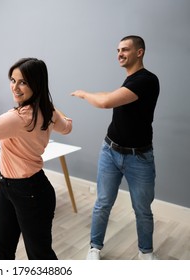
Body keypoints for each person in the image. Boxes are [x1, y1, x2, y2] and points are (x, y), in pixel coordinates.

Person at [0, 58, 72, 260]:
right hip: (11, 187)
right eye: (13, 80)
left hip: (29, 191)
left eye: (23, 82)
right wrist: (49, 106)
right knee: (2, 251)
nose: (15, 88)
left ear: (36, 85)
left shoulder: (18, 118)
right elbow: (67, 127)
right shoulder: (47, 111)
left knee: (40, 257)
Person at [71, 35, 160, 260]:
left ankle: (145, 253)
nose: (119, 54)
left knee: (142, 209)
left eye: (125, 50)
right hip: (110, 151)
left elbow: (105, 102)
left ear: (139, 52)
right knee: (102, 203)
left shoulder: (147, 80)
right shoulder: (130, 80)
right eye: (118, 50)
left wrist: (83, 94)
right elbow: (109, 96)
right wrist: (95, 93)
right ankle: (94, 248)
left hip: (138, 157)